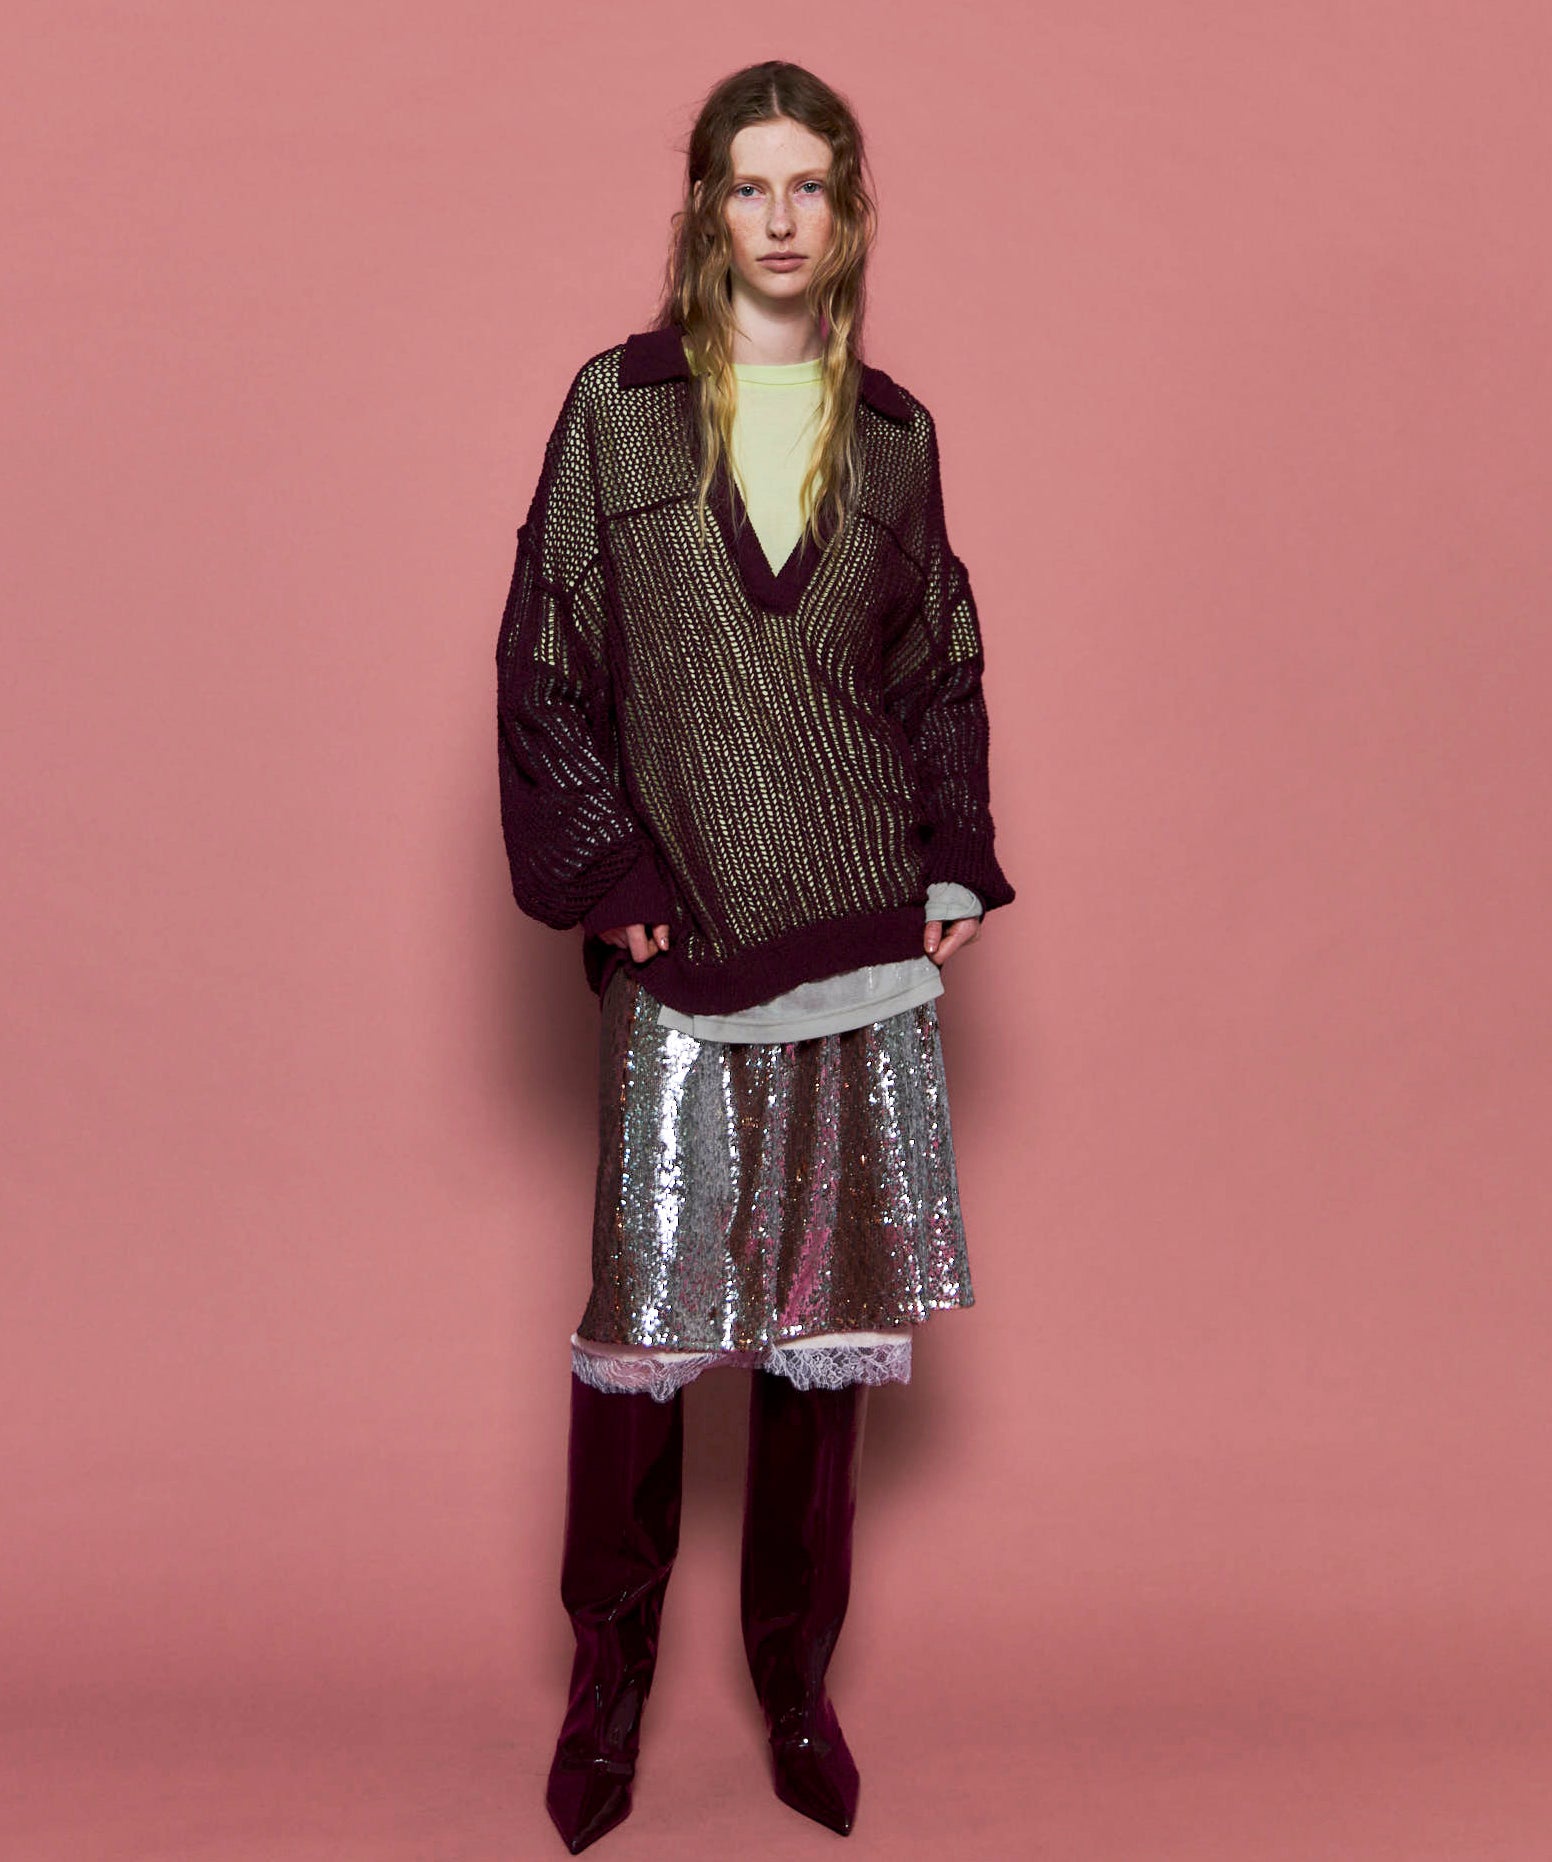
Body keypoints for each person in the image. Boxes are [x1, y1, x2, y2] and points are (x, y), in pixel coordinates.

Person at [495, 59, 1015, 1854]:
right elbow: (548, 652)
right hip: (691, 939)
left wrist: (954, 851)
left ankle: (795, 1690)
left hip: (861, 943)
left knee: (817, 1348)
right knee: (647, 1337)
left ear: (845, 212)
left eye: (810, 186)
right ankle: (607, 1693)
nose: (779, 218)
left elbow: (937, 668)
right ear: (706, 208)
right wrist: (609, 868)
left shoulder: (897, 438)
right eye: (748, 184)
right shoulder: (618, 413)